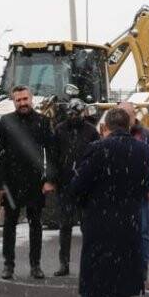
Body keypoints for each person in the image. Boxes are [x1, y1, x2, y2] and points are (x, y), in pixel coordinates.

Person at [63, 108, 149, 297]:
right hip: (130, 224)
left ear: (106, 127)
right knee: (123, 282)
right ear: (128, 125)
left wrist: (83, 201)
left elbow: (78, 186)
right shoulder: (144, 151)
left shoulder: (97, 149)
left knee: (92, 283)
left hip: (100, 224)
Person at [0, 85, 57, 280]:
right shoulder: (6, 122)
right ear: (14, 102)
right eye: (18, 100)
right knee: (9, 226)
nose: (22, 103)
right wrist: (1, 184)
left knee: (35, 225)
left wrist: (49, 180)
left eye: (25, 99)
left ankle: (35, 265)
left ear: (31, 99)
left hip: (34, 183)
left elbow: (52, 153)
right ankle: (8, 265)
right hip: (11, 184)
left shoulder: (43, 122)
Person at [52, 99, 99, 276]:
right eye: (71, 113)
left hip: (86, 185)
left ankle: (89, 262)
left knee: (87, 226)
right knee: (65, 226)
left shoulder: (91, 131)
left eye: (76, 114)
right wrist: (54, 179)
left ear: (83, 113)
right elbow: (54, 156)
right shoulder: (59, 130)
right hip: (65, 184)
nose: (73, 116)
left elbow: (96, 157)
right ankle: (64, 264)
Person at [119, 101, 149, 271]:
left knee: (142, 231)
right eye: (121, 114)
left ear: (134, 115)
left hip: (141, 192)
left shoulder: (146, 134)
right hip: (119, 192)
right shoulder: (113, 134)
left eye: (128, 114)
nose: (125, 118)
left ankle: (141, 269)